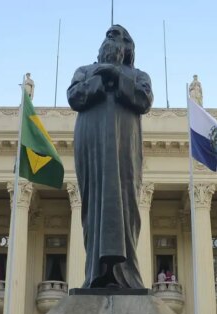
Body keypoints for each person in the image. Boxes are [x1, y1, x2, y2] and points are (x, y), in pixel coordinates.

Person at [67, 25, 153, 289]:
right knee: (94, 206)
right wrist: (101, 78)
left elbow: (144, 100)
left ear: (128, 49)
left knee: (125, 204)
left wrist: (118, 76)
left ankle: (125, 274)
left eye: (120, 38)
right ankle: (96, 274)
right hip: (92, 145)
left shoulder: (138, 75)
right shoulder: (85, 71)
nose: (112, 41)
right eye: (109, 36)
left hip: (124, 146)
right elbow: (74, 97)